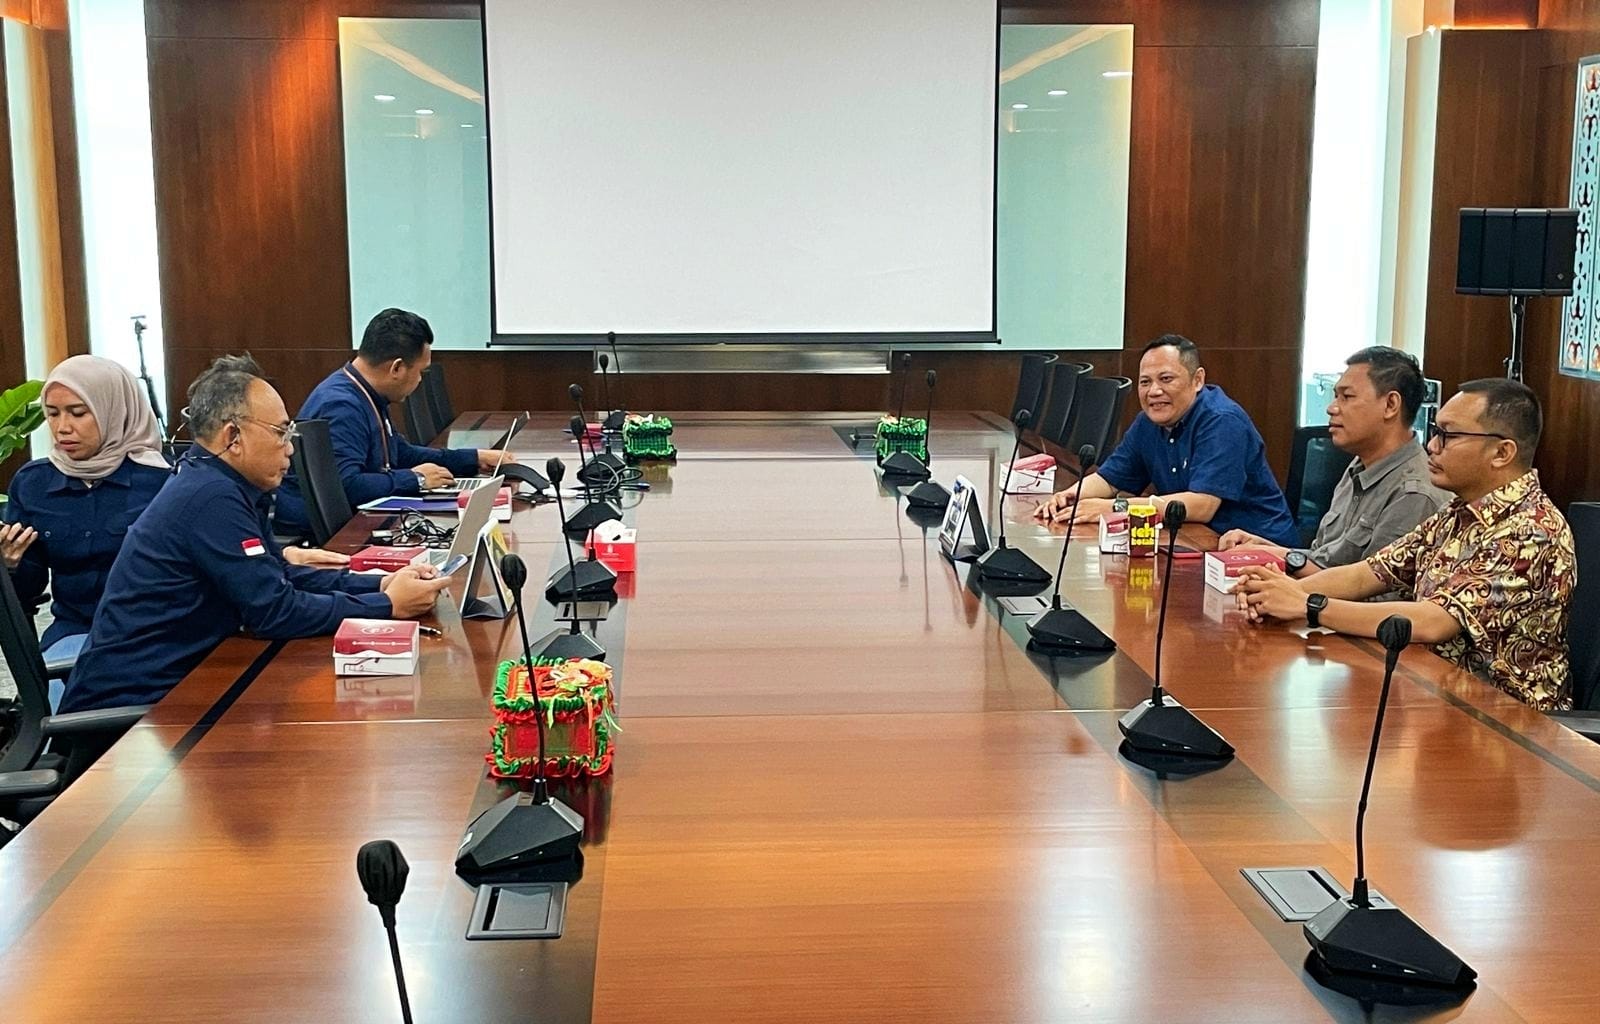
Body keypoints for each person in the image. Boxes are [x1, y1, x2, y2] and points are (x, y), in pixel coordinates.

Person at [58, 355, 451, 714]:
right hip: (137, 711)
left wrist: (379, 583)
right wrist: (387, 606)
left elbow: (275, 576)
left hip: (186, 683)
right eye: (281, 432)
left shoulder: (224, 484)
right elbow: (275, 612)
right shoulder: (211, 497)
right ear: (233, 437)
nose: (290, 449)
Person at [1236, 379, 1575, 711]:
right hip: (1428, 690)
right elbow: (1367, 574)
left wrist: (1307, 604)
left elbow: (1433, 622)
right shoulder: (1458, 511)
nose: (1433, 446)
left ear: (1502, 452)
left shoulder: (1530, 530)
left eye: (1449, 436)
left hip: (1503, 720)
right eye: (1436, 431)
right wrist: (1274, 594)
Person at [1033, 335, 1298, 546]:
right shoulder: (1148, 422)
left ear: (1197, 380)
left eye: (1166, 379)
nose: (1154, 391)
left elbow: (1202, 506)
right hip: (1193, 541)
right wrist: (1070, 495)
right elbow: (1110, 479)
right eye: (1145, 382)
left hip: (1258, 549)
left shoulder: (1222, 421)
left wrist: (1115, 507)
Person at [1, 356, 170, 683]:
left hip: (149, 635)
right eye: (53, 414)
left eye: (78, 413)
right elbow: (27, 591)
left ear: (113, 411)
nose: (63, 427)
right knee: (66, 696)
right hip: (73, 632)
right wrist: (9, 565)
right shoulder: (33, 484)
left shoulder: (162, 482)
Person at [273, 308, 513, 534]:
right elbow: (346, 486)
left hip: (355, 520)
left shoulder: (366, 393)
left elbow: (399, 453)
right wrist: (416, 479)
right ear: (397, 368)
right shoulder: (341, 405)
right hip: (326, 537)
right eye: (420, 372)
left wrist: (472, 458)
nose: (420, 380)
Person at [1217, 346, 1449, 577]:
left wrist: (1279, 559)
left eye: (1347, 397)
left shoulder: (1414, 494)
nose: (1331, 408)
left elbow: (1372, 592)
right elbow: (1323, 559)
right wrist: (1264, 550)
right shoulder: (1359, 465)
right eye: (1335, 396)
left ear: (1390, 405)